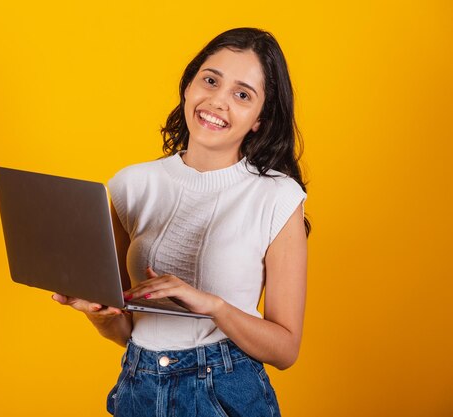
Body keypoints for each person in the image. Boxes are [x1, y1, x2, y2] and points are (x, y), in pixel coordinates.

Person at [52, 27, 310, 417]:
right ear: (188, 86)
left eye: (242, 95)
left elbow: (286, 349)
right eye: (210, 80)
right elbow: (126, 331)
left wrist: (212, 306)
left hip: (224, 390)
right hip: (138, 387)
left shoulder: (278, 197)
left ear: (259, 118)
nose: (218, 101)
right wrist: (97, 313)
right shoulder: (131, 185)